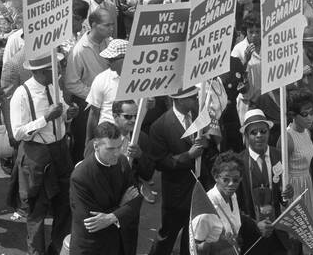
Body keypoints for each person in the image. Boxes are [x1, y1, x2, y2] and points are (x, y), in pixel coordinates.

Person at [10, 53, 75, 255]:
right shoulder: (22, 94)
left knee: (65, 203)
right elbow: (18, 132)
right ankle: (36, 251)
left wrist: (68, 114)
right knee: (37, 208)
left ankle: (56, 248)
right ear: (39, 71)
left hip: (61, 151)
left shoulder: (54, 87)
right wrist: (44, 118)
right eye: (52, 70)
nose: (57, 72)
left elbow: (62, 114)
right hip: (37, 156)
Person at [148, 86, 209, 255]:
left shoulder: (199, 117)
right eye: (193, 98)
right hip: (176, 191)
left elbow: (209, 152)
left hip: (199, 186)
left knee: (192, 233)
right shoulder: (159, 126)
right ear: (180, 100)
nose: (197, 100)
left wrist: (207, 144)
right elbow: (160, 162)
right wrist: (188, 155)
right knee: (168, 233)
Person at [69, 121, 142, 255]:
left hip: (121, 243)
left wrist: (110, 217)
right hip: (94, 247)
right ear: (96, 146)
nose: (116, 153)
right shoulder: (80, 177)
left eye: (119, 147)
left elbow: (137, 199)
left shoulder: (122, 162)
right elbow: (92, 223)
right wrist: (120, 207)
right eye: (110, 149)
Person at [236, 109, 293, 255]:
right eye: (253, 132)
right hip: (251, 235)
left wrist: (287, 195)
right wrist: (255, 225)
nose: (259, 135)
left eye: (263, 131)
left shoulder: (279, 155)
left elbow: (283, 197)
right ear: (246, 136)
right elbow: (235, 206)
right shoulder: (239, 163)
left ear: (269, 132)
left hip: (277, 233)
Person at [64, 8, 112, 162]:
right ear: (93, 25)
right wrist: (95, 95)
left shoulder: (110, 43)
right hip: (86, 106)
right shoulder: (78, 51)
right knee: (84, 146)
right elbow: (71, 83)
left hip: (108, 103)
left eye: (112, 25)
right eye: (107, 25)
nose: (111, 28)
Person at [192, 151, 244, 255]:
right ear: (216, 177)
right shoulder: (206, 210)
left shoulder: (233, 195)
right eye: (225, 180)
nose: (231, 184)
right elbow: (195, 248)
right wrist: (219, 244)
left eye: (236, 180)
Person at [85, 39, 127, 145]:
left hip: (130, 138)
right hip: (105, 139)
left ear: (125, 59)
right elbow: (94, 113)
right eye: (108, 58)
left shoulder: (141, 80)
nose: (108, 61)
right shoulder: (101, 79)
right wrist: (89, 140)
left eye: (112, 59)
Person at [285, 90, 313, 223]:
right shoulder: (287, 138)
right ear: (293, 115)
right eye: (305, 114)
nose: (310, 117)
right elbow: (281, 172)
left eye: (312, 113)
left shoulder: (307, 132)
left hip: (307, 184)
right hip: (293, 189)